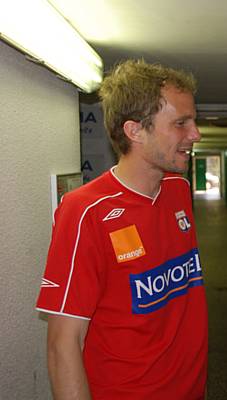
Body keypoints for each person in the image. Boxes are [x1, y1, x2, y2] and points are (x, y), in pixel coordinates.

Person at [36, 59, 207, 399]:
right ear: (134, 131)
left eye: (194, 121)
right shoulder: (85, 211)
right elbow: (63, 344)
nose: (195, 133)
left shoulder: (177, 190)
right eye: (181, 123)